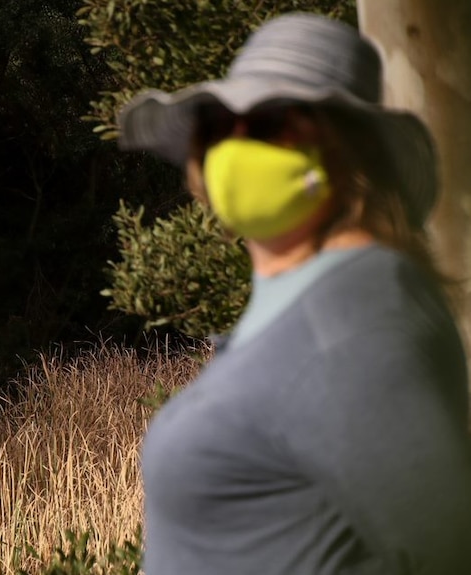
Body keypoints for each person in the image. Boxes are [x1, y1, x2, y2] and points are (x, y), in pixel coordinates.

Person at [117, 12, 471, 575]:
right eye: (216, 124)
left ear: (347, 147)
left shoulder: (357, 325)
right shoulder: (312, 303)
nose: (235, 146)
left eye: (269, 122)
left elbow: (445, 549)